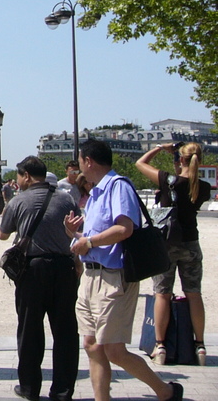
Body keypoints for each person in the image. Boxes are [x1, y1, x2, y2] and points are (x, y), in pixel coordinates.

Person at [66, 139, 183, 401]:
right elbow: (96, 236)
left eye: (80, 162)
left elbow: (124, 229)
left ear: (88, 161)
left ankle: (164, 391)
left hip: (113, 278)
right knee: (92, 346)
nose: (77, 169)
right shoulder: (95, 192)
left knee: (114, 350)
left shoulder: (117, 187)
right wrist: (77, 235)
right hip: (91, 277)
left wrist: (90, 241)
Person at [0, 156, 80, 401]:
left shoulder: (19, 200)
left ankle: (29, 388)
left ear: (27, 176)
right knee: (65, 331)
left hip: (32, 270)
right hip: (64, 267)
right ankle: (63, 391)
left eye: (19, 176)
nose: (18, 181)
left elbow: (2, 234)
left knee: (30, 330)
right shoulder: (67, 199)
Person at [135, 142, 210, 367]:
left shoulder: (170, 181)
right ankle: (199, 344)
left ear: (180, 160)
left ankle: (160, 346)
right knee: (194, 293)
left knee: (162, 294)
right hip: (190, 243)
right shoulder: (203, 187)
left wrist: (160, 148)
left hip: (167, 244)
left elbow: (140, 163)